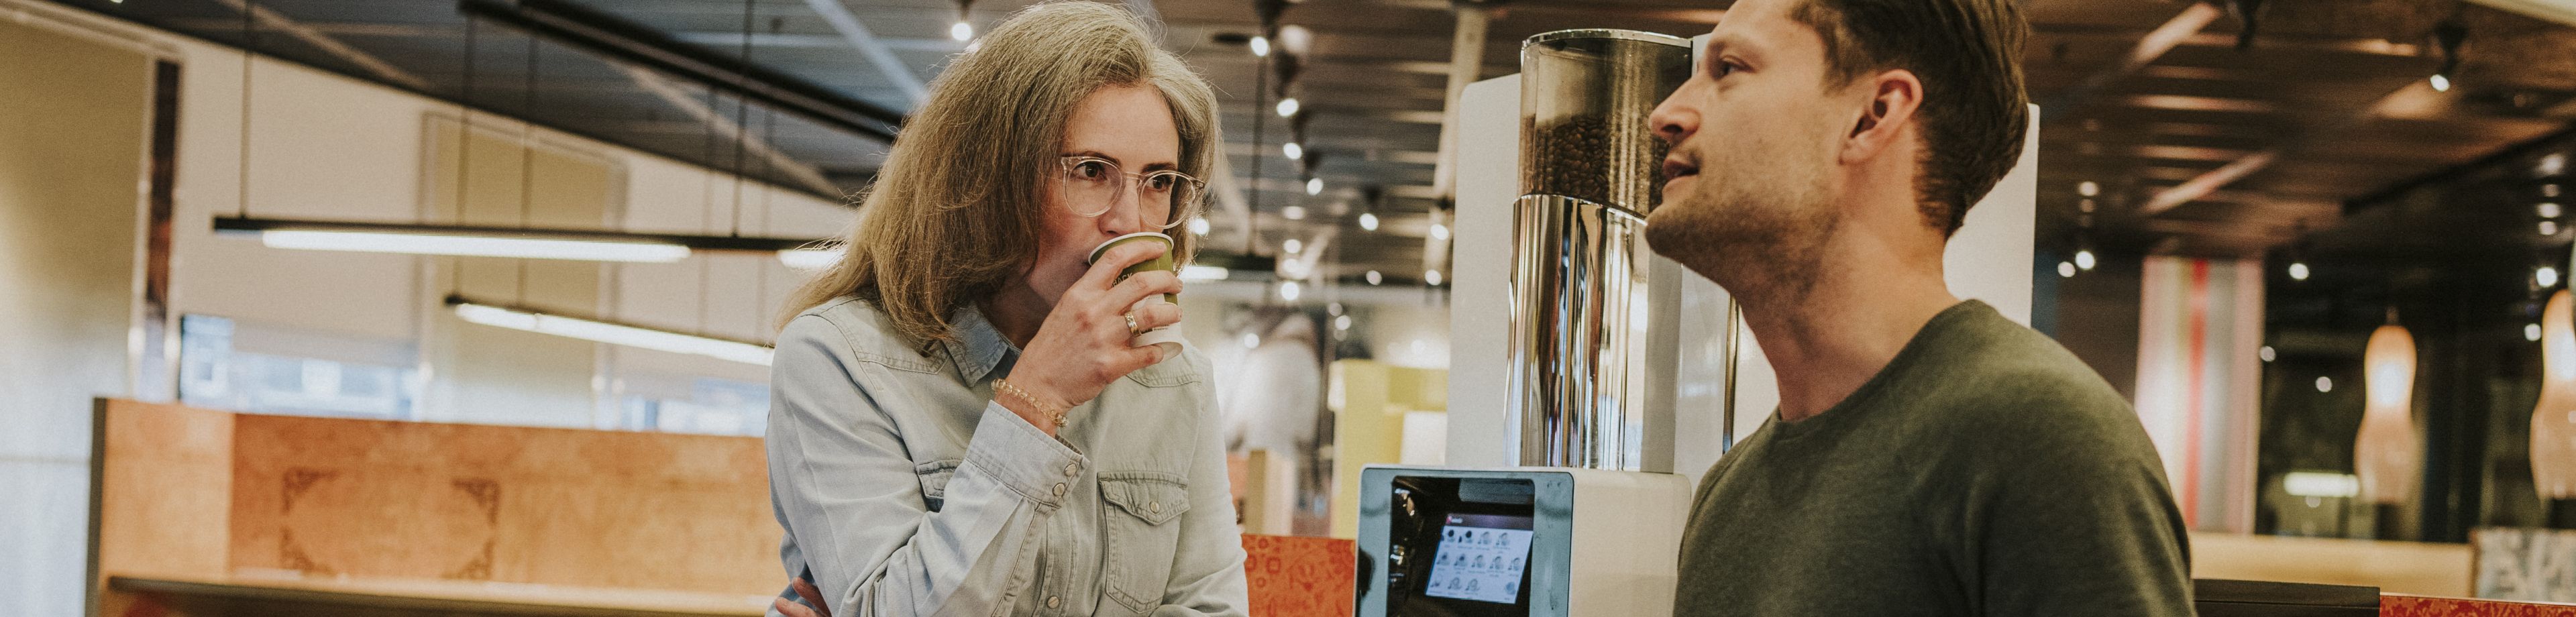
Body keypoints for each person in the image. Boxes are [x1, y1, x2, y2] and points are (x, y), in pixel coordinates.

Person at [1646, 0, 2192, 615]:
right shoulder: (1729, 491)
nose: (1666, 115)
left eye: (1730, 69)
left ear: (1872, 116)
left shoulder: (2038, 435)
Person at [761, 3, 1245, 616]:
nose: (1130, 220)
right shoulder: (840, 358)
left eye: (1158, 181)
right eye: (1092, 171)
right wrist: (1034, 399)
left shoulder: (1176, 382)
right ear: (986, 180)